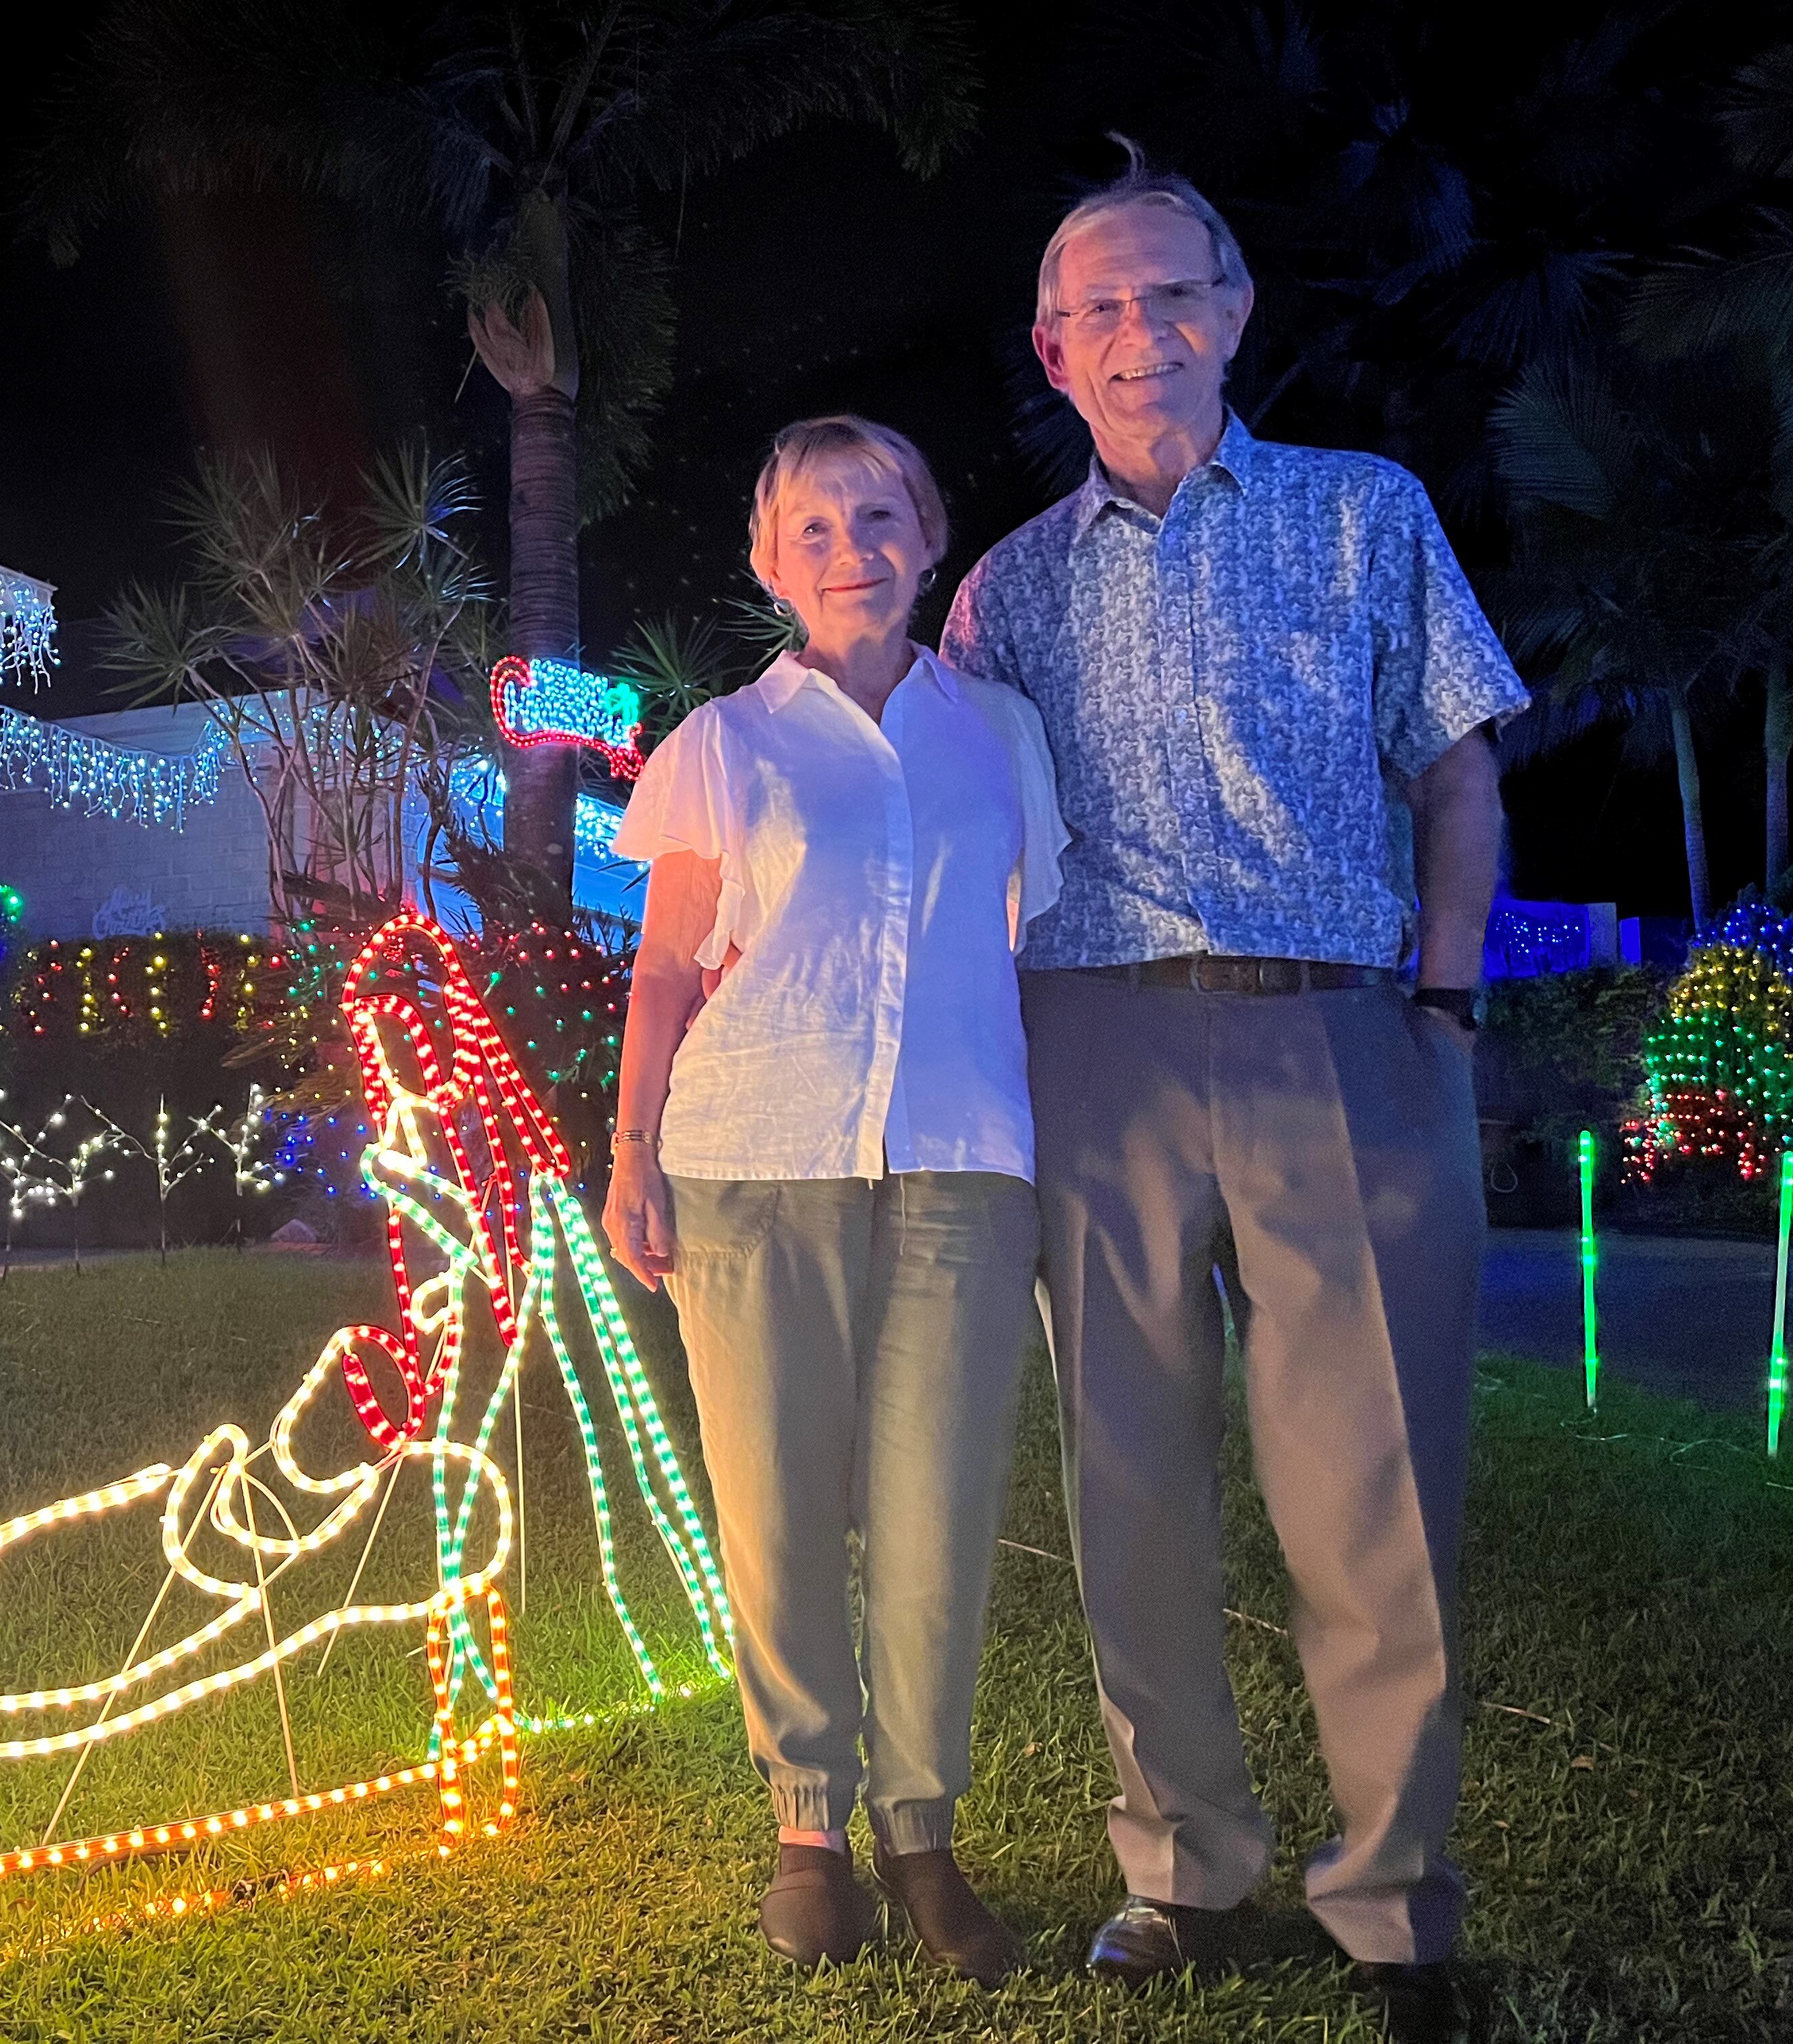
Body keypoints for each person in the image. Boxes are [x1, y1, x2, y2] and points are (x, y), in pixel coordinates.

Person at [939, 152, 1528, 2044]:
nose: (1140, 333)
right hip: (1090, 1047)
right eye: (1099, 308)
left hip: (1338, 1034)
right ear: (1052, 348)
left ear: (1235, 310)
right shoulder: (1004, 589)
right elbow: (945, 838)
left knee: (1372, 1492)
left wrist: (1441, 998)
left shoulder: (1365, 515)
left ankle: (1391, 1902)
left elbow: (1456, 773)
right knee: (1129, 1481)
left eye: (1172, 293)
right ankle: (1182, 1868)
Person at [605, 414, 1067, 1976]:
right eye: (813, 526)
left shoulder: (998, 735)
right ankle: (812, 1823)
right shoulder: (726, 745)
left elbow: (1021, 949)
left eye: (880, 514)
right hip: (752, 1151)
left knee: (939, 1503)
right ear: (767, 561)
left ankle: (923, 1833)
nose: (850, 547)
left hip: (959, 1152)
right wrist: (630, 1161)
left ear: (932, 532)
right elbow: (667, 971)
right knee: (779, 1502)